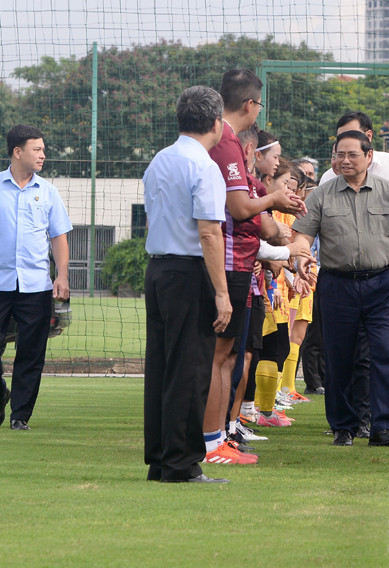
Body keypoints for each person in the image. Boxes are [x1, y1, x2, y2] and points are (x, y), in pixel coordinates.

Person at [290, 130, 389, 447]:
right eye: (339, 154)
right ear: (333, 159)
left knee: (385, 354)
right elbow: (302, 238)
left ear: (368, 156)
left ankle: (382, 427)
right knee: (338, 357)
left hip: (382, 284)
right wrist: (299, 260)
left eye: (352, 154)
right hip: (337, 286)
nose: (345, 160)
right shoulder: (321, 195)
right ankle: (344, 427)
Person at [203, 69, 303, 466]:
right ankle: (213, 442)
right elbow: (240, 208)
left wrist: (282, 233)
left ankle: (220, 436)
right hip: (228, 263)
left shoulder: (225, 143)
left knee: (230, 356)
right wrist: (275, 202)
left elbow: (251, 208)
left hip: (240, 262)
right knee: (222, 356)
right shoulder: (226, 141)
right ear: (250, 105)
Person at [140, 86, 231, 483]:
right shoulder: (204, 166)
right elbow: (209, 233)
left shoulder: (159, 160)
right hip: (188, 273)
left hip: (158, 270)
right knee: (190, 368)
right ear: (216, 123)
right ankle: (182, 463)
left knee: (161, 367)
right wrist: (222, 293)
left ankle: (161, 459)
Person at [0, 124, 72, 431]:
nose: (43, 155)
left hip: (36, 287)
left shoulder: (48, 192)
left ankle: (19, 415)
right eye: (37, 149)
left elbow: (59, 236)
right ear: (17, 152)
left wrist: (61, 274)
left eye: (43, 149)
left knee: (31, 354)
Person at [322, 111, 389, 429]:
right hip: (342, 279)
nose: (343, 153)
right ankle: (354, 416)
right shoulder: (329, 179)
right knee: (347, 349)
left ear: (368, 140)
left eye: (351, 143)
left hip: (387, 273)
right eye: (338, 145)